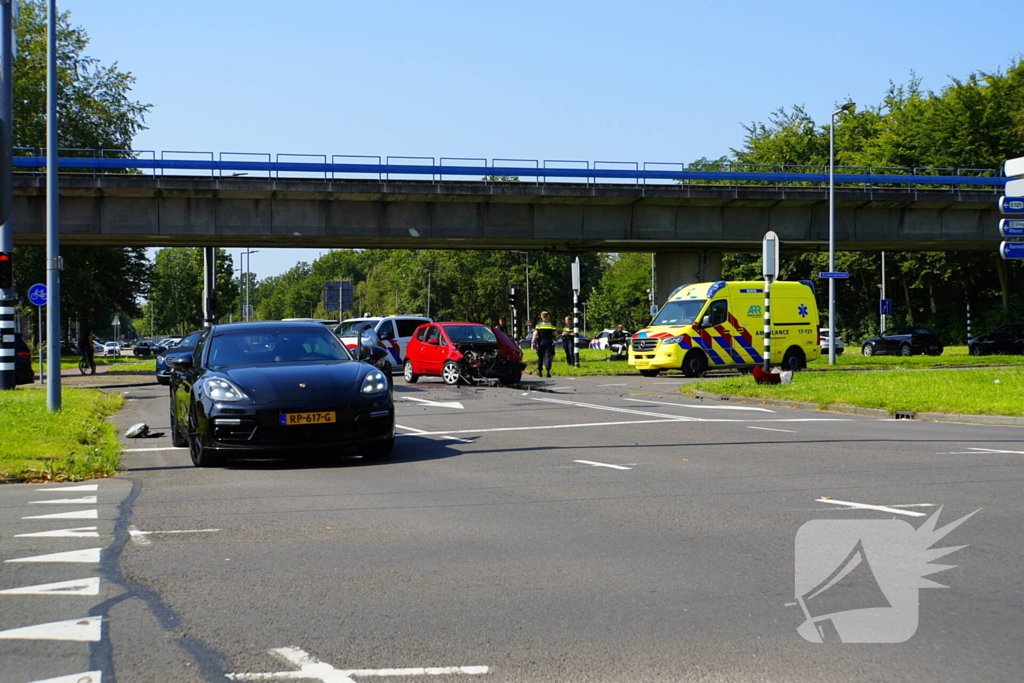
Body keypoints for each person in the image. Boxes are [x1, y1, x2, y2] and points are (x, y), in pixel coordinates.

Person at [531, 311, 557, 378]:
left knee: (540, 357)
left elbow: (535, 333)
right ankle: (548, 370)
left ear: (542, 316)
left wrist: (533, 342)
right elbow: (555, 334)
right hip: (549, 342)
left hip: (540, 342)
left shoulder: (539, 324)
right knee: (548, 356)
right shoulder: (551, 324)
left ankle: (540, 371)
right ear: (547, 316)